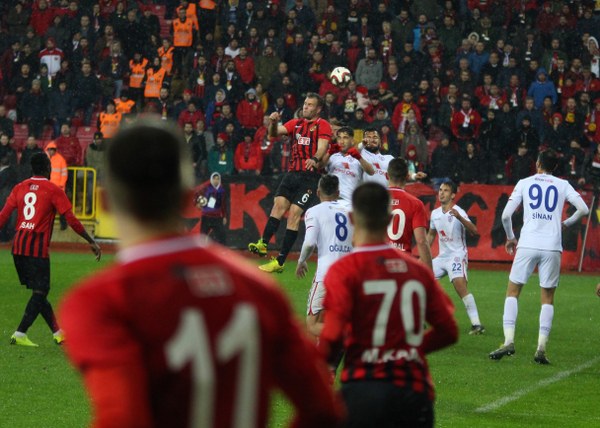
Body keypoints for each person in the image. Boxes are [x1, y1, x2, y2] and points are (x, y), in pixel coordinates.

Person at [59, 121, 343, 428]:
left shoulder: (98, 304)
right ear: (186, 198)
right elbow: (323, 411)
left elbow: (122, 417)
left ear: (107, 204)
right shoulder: (258, 289)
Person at [319, 182, 458, 428]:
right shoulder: (417, 271)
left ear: (352, 217)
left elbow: (332, 335)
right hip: (414, 393)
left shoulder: (343, 271)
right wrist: (407, 349)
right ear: (389, 218)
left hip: (364, 389)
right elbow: (449, 330)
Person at [490, 149, 589, 364]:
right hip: (552, 245)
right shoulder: (562, 185)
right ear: (554, 167)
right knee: (547, 298)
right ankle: (541, 347)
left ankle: (508, 341)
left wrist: (510, 237)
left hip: (527, 243)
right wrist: (565, 223)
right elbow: (583, 209)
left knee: (513, 292)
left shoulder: (525, 182)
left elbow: (506, 215)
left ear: (537, 164)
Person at [0, 153, 100, 347]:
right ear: (48, 168)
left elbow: (3, 216)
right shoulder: (53, 190)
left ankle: (58, 332)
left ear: (32, 168)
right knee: (41, 291)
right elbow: (71, 219)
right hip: (36, 249)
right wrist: (91, 240)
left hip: (18, 248)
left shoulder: (19, 188)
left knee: (40, 291)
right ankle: (20, 332)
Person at [248, 93, 333, 273]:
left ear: (318, 109)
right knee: (278, 205)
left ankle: (279, 261)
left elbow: (323, 147)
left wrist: (315, 159)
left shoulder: (322, 125)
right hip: (292, 173)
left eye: (310, 105)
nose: (306, 107)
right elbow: (273, 134)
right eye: (305, 104)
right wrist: (272, 122)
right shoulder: (297, 124)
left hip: (309, 177)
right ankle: (263, 243)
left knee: (294, 214)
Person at [296, 174, 352, 340]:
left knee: (312, 325)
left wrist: (302, 261)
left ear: (318, 192)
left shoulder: (314, 211)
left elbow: (309, 243)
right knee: (329, 318)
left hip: (327, 275)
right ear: (338, 192)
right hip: (350, 274)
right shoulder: (351, 209)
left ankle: (352, 336)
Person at [427, 181, 485, 335]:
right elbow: (431, 235)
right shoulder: (435, 214)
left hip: (456, 255)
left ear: (453, 195)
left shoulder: (459, 211)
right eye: (440, 190)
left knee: (460, 287)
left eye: (446, 191)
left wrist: (460, 218)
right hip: (442, 257)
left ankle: (477, 324)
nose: (442, 193)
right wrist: (423, 257)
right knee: (420, 279)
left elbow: (474, 231)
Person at [387, 158, 432, 270]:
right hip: (401, 264)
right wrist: (429, 273)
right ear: (407, 176)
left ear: (387, 175)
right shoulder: (416, 204)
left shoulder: (374, 199)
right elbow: (421, 241)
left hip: (378, 262)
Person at [326, 126, 374, 202]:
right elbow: (319, 166)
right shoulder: (332, 156)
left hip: (349, 201)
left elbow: (371, 172)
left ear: (352, 141)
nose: (341, 141)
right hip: (331, 199)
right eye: (339, 138)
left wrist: (359, 158)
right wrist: (329, 153)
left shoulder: (359, 157)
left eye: (345, 138)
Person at [195, 172, 227, 245]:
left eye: (218, 179)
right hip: (206, 216)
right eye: (214, 179)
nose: (216, 180)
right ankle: (201, 252)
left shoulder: (222, 190)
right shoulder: (206, 188)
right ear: (211, 179)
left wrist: (224, 216)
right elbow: (197, 195)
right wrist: (197, 203)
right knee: (203, 236)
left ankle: (222, 252)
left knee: (222, 237)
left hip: (217, 217)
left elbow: (223, 204)